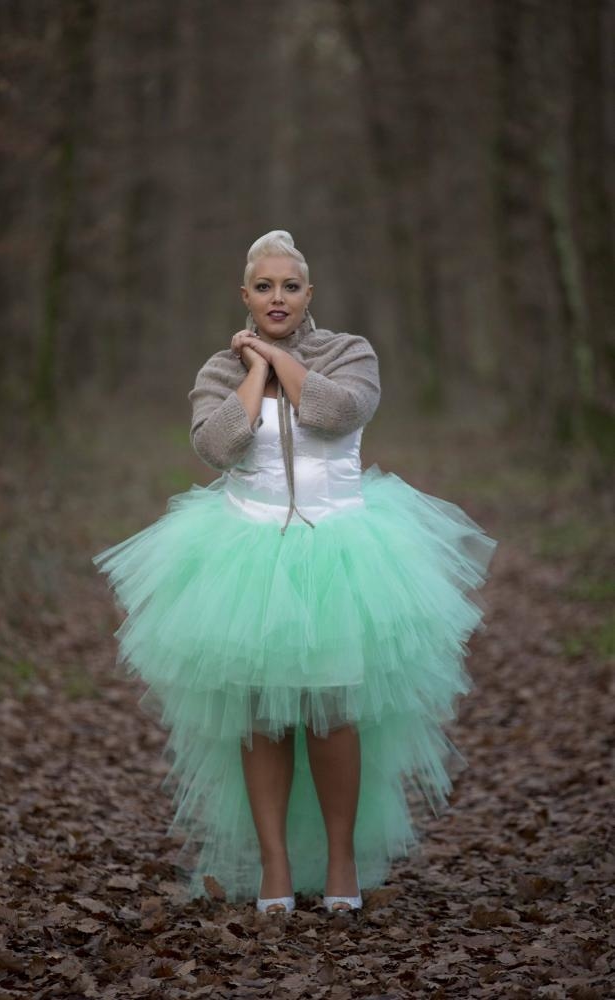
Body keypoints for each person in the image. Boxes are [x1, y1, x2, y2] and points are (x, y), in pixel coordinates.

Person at [92, 229, 498, 915]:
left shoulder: (349, 353)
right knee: (262, 718)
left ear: (309, 293)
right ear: (245, 296)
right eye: (263, 287)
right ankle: (274, 865)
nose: (276, 297)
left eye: (289, 286)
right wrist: (253, 369)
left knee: (333, 713)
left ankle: (342, 861)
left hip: (340, 551)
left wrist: (279, 357)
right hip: (245, 555)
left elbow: (338, 413)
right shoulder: (220, 370)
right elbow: (216, 446)